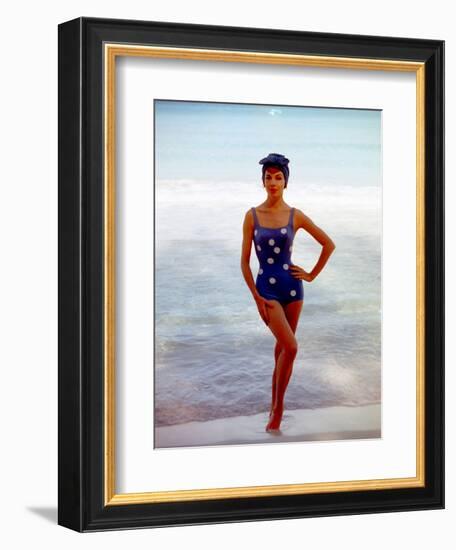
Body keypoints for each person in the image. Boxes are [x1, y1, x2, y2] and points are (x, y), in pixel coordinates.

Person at [240, 153, 336, 432]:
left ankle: (273, 404)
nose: (273, 182)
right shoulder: (252, 216)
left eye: (278, 177)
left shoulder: (296, 215)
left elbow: (328, 244)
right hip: (266, 290)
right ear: (262, 181)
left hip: (293, 289)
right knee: (292, 347)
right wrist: (256, 298)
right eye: (268, 177)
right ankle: (279, 409)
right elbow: (245, 263)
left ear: (285, 182)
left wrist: (311, 275)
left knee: (283, 349)